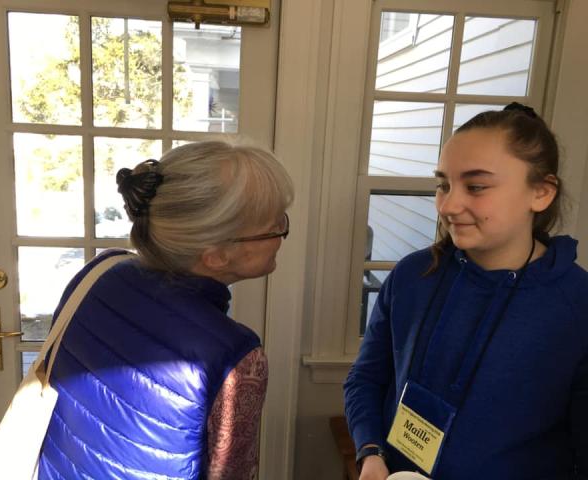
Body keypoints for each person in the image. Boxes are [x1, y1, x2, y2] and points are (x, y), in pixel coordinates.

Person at [344, 103, 588, 480]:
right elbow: (366, 379)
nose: (448, 205)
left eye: (475, 186)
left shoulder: (576, 305)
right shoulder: (413, 276)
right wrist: (371, 451)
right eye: (444, 184)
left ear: (540, 192)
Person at [36, 141, 294, 479]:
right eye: (275, 226)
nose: (281, 236)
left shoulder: (100, 272)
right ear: (215, 255)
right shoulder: (236, 356)